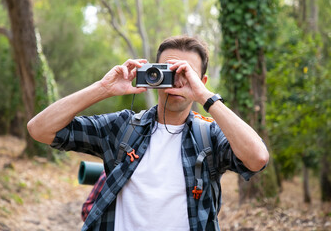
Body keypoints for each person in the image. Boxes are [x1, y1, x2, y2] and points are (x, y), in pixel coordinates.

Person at [27, 35, 269, 231]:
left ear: (201, 80)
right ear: (155, 72)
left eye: (186, 74)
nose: (176, 82)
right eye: (169, 71)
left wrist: (205, 96)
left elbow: (257, 158)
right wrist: (103, 88)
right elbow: (39, 129)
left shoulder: (210, 137)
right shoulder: (123, 127)